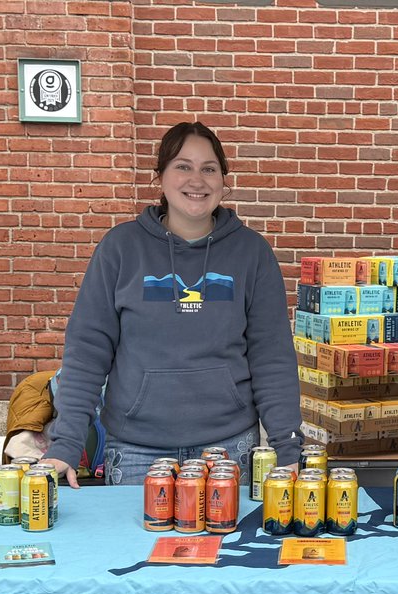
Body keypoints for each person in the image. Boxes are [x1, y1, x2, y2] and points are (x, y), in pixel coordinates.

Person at [44, 121, 302, 487]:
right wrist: (66, 443)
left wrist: (287, 447)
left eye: (209, 169)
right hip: (136, 453)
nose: (197, 180)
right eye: (183, 166)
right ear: (160, 178)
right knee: (134, 547)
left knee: (230, 547)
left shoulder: (252, 253)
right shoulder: (120, 249)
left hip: (229, 451)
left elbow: (271, 356)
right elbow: (87, 352)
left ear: (223, 181)